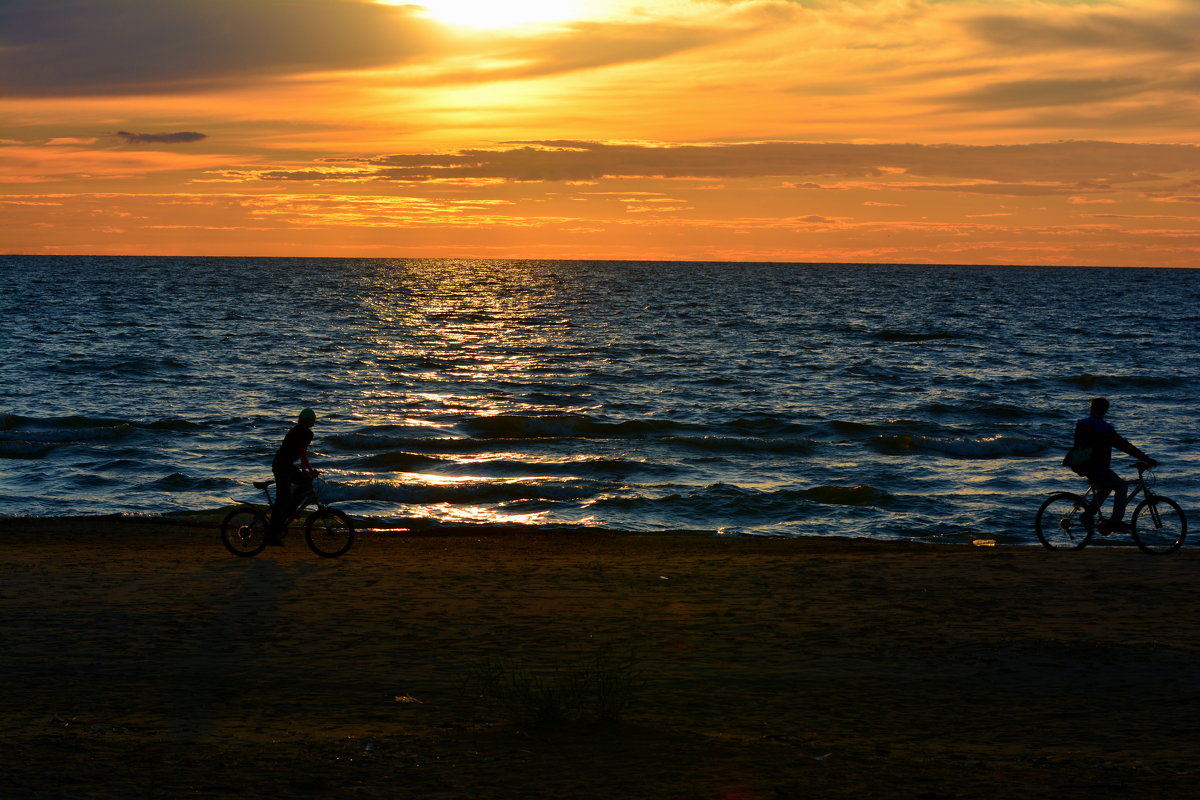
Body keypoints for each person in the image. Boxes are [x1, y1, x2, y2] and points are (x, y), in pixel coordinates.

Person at [1069, 397, 1157, 534]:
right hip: (1098, 468)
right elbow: (1124, 446)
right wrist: (1146, 458)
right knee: (1121, 486)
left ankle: (1088, 514)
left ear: (1091, 408)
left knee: (1107, 486)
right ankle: (1115, 521)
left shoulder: (1082, 424)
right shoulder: (1104, 429)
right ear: (1105, 410)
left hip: (1082, 465)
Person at [267, 408, 319, 545]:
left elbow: (302, 454)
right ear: (311, 422)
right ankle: (272, 535)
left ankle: (289, 511)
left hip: (284, 465)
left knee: (305, 484)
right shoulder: (306, 433)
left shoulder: (297, 430)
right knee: (282, 499)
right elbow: (303, 455)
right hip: (282, 466)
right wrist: (306, 471)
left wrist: (308, 470)